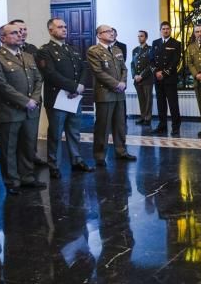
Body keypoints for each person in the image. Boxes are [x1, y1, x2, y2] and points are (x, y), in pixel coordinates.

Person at [0, 24, 46, 197]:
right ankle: (12, 181)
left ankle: (27, 177)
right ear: (3, 38)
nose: (19, 35)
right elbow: (2, 86)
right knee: (9, 148)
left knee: (28, 146)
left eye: (20, 32)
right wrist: (25, 101)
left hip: (30, 110)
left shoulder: (28, 56)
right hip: (9, 111)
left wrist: (34, 99)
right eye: (14, 33)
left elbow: (38, 79)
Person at [36, 18, 92, 178]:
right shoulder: (44, 51)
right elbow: (50, 74)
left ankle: (77, 160)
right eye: (60, 27)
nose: (64, 29)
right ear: (50, 30)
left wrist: (80, 86)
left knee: (74, 131)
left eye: (65, 27)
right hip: (57, 98)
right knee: (55, 133)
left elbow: (83, 68)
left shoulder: (72, 49)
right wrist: (73, 87)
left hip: (74, 98)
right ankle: (54, 165)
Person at [87, 24, 135, 166]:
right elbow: (98, 72)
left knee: (120, 124)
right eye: (107, 31)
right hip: (105, 93)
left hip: (119, 94)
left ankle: (121, 151)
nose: (111, 33)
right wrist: (116, 84)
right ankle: (100, 155)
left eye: (112, 31)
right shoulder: (93, 51)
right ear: (99, 35)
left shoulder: (116, 49)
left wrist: (123, 82)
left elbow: (124, 69)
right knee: (103, 126)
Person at [150, 21, 181, 134]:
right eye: (163, 29)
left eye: (167, 28)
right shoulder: (155, 43)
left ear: (170, 30)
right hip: (158, 79)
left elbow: (175, 61)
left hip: (170, 79)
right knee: (160, 103)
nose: (166, 30)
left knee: (173, 104)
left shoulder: (176, 43)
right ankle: (162, 125)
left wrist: (164, 73)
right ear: (160, 30)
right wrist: (156, 72)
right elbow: (151, 60)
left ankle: (176, 126)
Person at [130, 30, 154, 127]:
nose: (140, 38)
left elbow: (151, 65)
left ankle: (148, 118)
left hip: (147, 79)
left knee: (148, 99)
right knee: (141, 99)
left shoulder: (150, 49)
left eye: (142, 36)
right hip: (137, 80)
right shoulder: (135, 50)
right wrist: (134, 75)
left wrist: (141, 76)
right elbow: (132, 64)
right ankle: (143, 116)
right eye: (138, 36)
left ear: (146, 38)